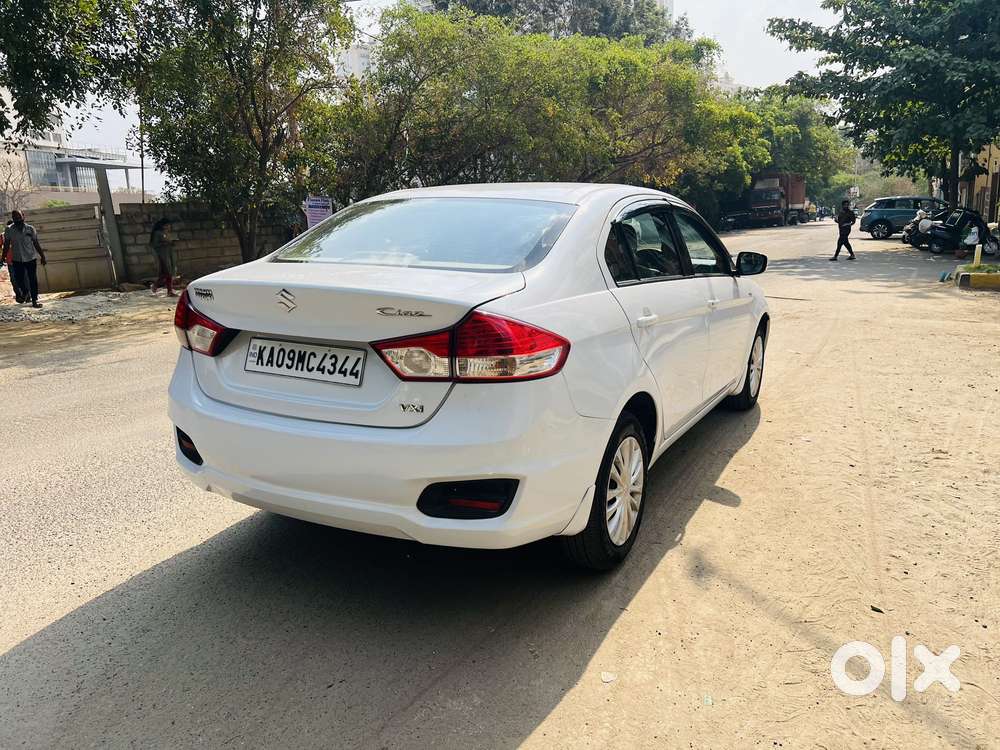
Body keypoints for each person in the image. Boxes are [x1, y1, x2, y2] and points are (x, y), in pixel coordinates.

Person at [2, 210, 47, 307]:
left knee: (32, 280)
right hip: (17, 259)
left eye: (19, 217)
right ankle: (25, 291)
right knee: (19, 279)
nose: (17, 219)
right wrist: (2, 258)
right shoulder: (9, 230)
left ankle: (34, 301)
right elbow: (6, 245)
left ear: (23, 216)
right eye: (15, 218)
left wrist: (42, 256)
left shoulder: (30, 229)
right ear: (13, 219)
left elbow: (36, 243)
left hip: (30, 258)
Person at [149, 217, 176, 297]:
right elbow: (155, 244)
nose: (169, 227)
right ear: (163, 225)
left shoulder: (165, 233)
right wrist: (167, 243)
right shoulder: (157, 233)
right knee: (167, 273)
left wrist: (171, 243)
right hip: (161, 256)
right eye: (167, 225)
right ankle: (167, 290)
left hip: (167, 255)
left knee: (166, 274)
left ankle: (158, 287)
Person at [1, 219, 27, 303]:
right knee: (16, 279)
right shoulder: (3, 236)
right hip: (12, 261)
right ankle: (20, 296)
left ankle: (25, 295)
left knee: (22, 278)